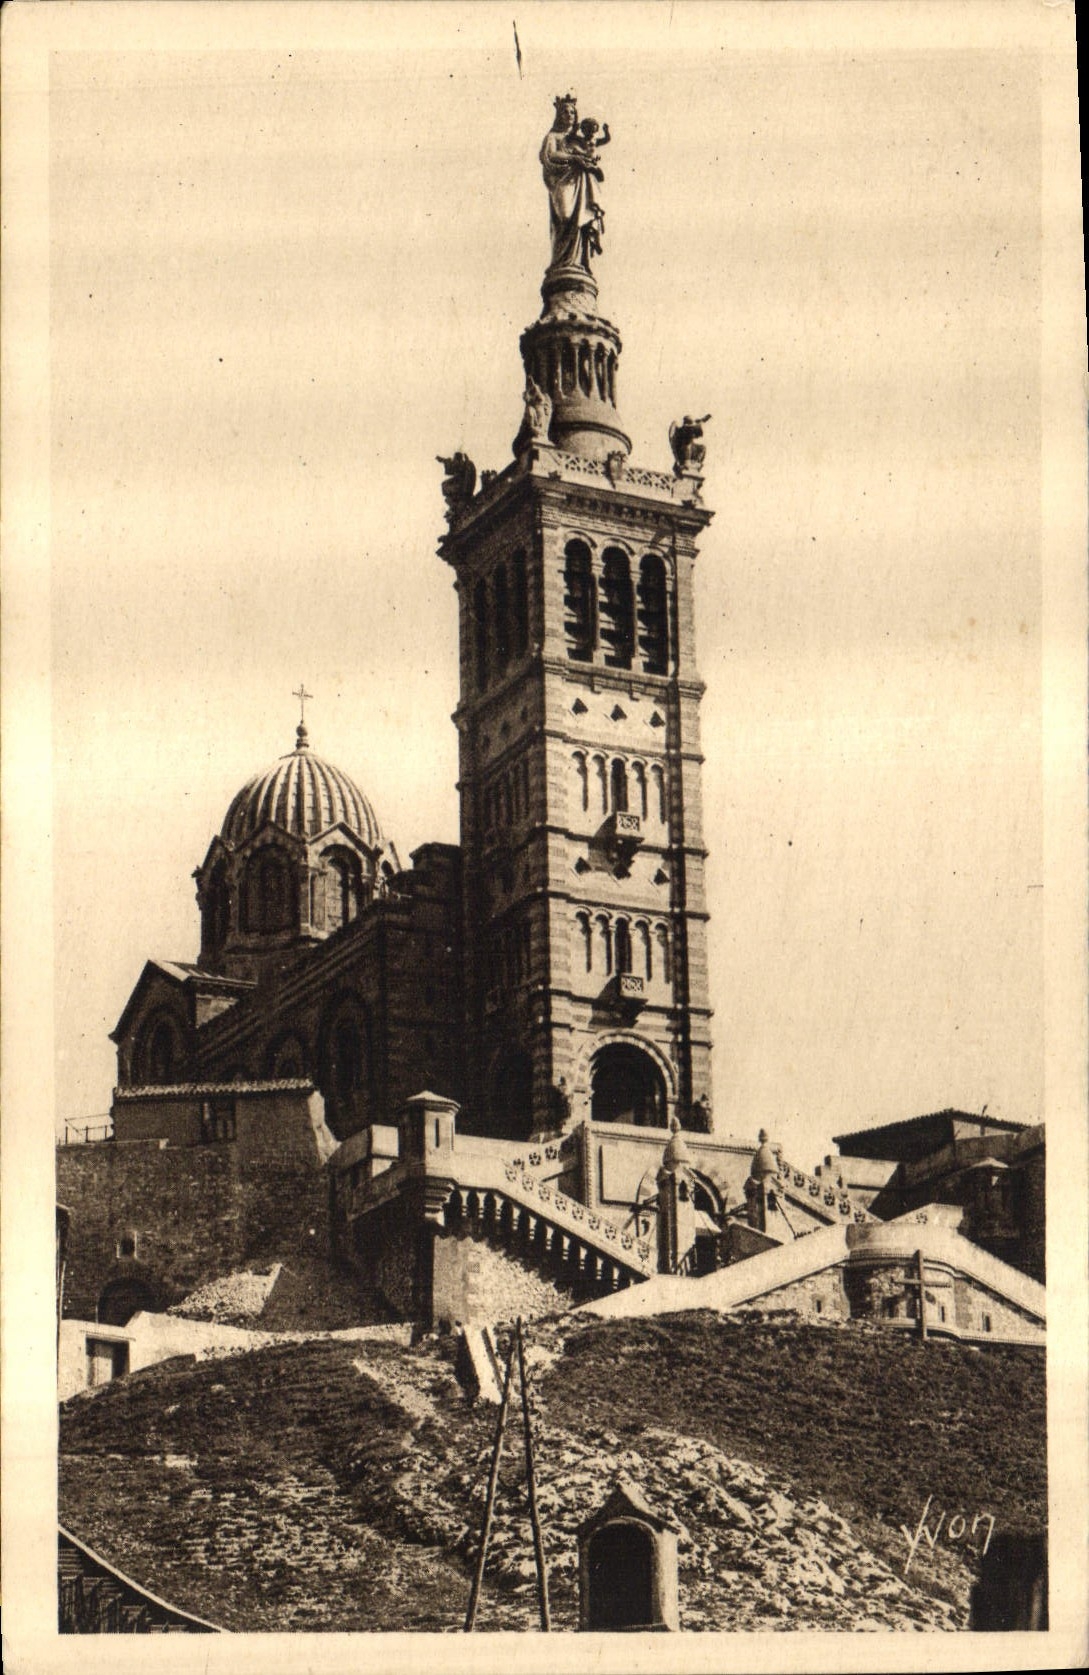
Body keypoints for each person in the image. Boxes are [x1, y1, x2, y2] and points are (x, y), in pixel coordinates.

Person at [540, 95, 607, 273]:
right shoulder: (553, 136)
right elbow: (550, 155)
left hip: (580, 184)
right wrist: (574, 157)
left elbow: (590, 153)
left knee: (580, 221)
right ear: (559, 115)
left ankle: (579, 262)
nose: (569, 115)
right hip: (562, 183)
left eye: (572, 112)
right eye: (565, 112)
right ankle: (561, 262)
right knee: (564, 217)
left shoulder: (578, 140)